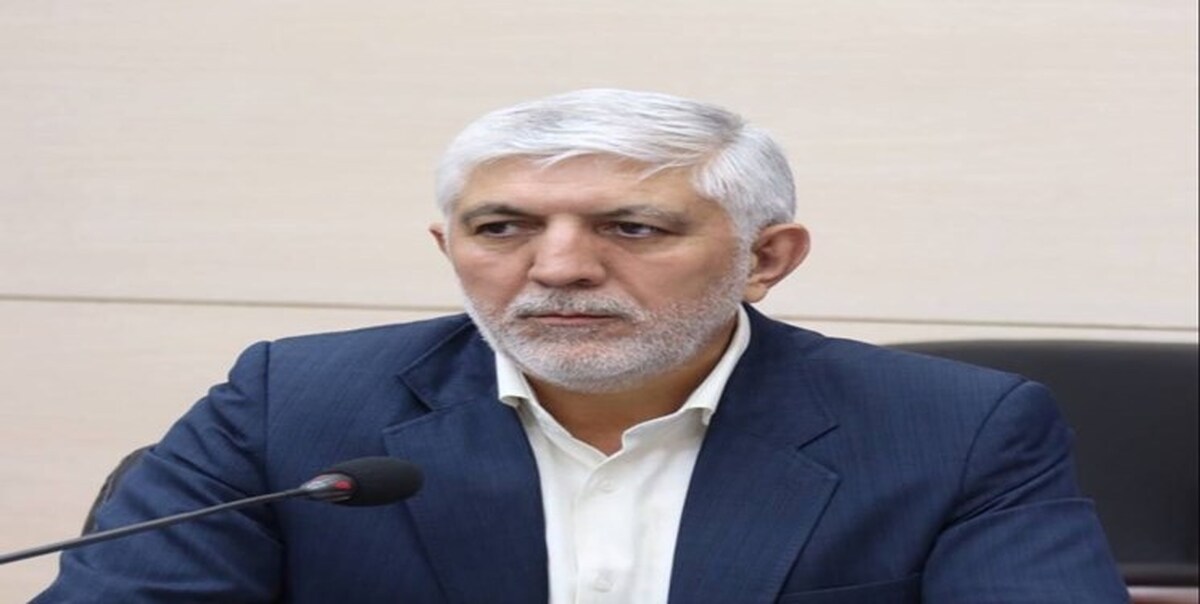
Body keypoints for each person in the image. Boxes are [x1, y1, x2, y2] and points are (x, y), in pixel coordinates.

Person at [35, 89, 1127, 603]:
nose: (556, 268)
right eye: (502, 228)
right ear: (449, 249)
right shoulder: (294, 404)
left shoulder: (955, 430)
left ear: (766, 258)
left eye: (632, 229)